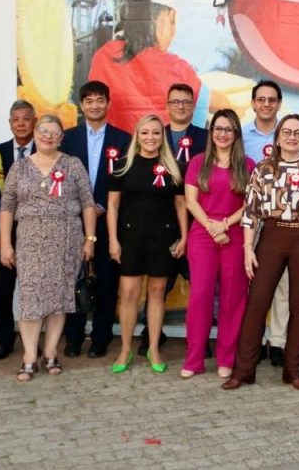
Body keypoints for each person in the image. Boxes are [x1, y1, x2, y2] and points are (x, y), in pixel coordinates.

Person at [223, 114, 299, 391]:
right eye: (286, 132)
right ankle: (243, 371)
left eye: (298, 133)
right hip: (272, 238)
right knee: (257, 303)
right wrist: (247, 249)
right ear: (277, 139)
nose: (291, 137)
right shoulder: (263, 169)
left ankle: (294, 371)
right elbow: (251, 212)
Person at [0, 115, 97, 382]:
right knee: (30, 299)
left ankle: (51, 351)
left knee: (59, 299)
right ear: (35, 132)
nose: (48, 136)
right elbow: (7, 207)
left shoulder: (73, 165)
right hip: (29, 244)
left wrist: (90, 239)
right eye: (43, 131)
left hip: (66, 242)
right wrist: (6, 243)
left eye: (54, 133)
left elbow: (88, 203)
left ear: (61, 138)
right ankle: (29, 356)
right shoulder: (19, 168)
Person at [107, 114, 188, 374]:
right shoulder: (122, 165)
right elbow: (112, 206)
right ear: (137, 135)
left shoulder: (174, 167)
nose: (150, 138)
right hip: (130, 239)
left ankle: (153, 348)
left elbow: (180, 205)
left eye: (155, 133)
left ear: (161, 137)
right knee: (129, 294)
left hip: (162, 239)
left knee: (156, 294)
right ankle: (125, 349)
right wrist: (112, 240)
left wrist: (184, 237)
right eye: (145, 133)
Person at [88, 0, 229, 132]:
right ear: (170, 17)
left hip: (115, 151)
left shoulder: (104, 56)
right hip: (162, 151)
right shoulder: (176, 68)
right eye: (173, 22)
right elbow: (219, 104)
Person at [180, 109, 255, 378]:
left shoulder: (248, 165)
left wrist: (224, 225)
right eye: (218, 129)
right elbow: (191, 201)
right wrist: (213, 228)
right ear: (212, 133)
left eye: (228, 129)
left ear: (236, 134)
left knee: (233, 299)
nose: (223, 134)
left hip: (234, 235)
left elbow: (250, 205)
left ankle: (226, 359)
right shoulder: (199, 162)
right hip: (203, 235)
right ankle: (193, 360)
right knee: (200, 297)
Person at [60, 81, 131, 359]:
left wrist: (100, 204)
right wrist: (81, 207)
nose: (94, 105)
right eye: (88, 100)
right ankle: (73, 338)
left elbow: (124, 177)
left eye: (100, 100)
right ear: (81, 105)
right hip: (74, 220)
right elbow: (61, 178)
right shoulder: (68, 138)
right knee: (73, 280)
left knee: (106, 282)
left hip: (109, 219)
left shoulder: (123, 139)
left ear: (108, 103)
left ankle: (101, 338)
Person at [149, 82, 208, 356]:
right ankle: (151, 335)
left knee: (199, 286)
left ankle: (199, 340)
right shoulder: (153, 135)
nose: (181, 106)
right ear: (167, 105)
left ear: (193, 106)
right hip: (161, 222)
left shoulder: (206, 137)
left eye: (186, 102)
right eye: (175, 102)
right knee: (159, 283)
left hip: (197, 220)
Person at [240, 80, 289, 367]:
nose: (267, 104)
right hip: (248, 217)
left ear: (279, 103)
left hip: (281, 218)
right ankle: (254, 340)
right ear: (254, 103)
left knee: (283, 283)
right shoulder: (242, 136)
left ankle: (278, 342)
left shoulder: (290, 133)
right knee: (252, 283)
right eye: (262, 99)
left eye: (272, 99)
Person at [0, 99, 37, 360]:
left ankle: (35, 339)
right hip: (5, 235)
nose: (20, 124)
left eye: (25, 118)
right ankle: (4, 338)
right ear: (9, 123)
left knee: (35, 289)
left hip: (37, 235)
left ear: (34, 122)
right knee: (4, 290)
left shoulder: (48, 151)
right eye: (15, 119)